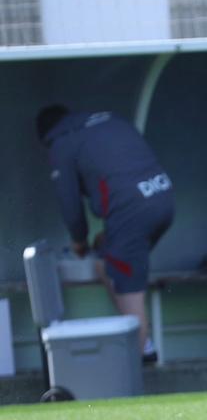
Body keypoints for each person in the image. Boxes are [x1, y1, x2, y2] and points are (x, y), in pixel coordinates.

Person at [35, 105, 174, 363]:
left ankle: (141, 359)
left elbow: (70, 204)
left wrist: (79, 240)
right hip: (163, 198)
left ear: (46, 137)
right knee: (105, 260)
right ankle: (142, 345)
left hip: (132, 213)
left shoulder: (61, 142)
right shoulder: (109, 120)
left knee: (128, 283)